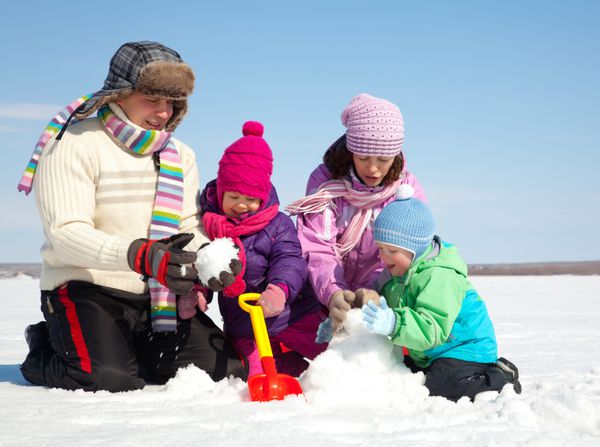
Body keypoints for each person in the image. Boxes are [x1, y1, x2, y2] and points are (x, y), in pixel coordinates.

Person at [17, 41, 246, 392]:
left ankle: (126, 349)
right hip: (85, 288)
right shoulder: (74, 144)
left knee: (225, 370)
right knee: (108, 379)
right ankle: (46, 345)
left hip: (156, 295)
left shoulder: (179, 155)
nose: (163, 112)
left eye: (171, 102)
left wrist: (207, 259)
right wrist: (141, 254)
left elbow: (187, 226)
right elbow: (66, 233)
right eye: (152, 99)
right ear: (119, 95)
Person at [360, 185, 522, 401]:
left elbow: (432, 330)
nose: (384, 257)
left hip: (465, 349)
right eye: (380, 248)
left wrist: (394, 323)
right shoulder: (395, 273)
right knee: (397, 371)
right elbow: (375, 296)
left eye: (392, 251)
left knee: (439, 387)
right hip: (430, 352)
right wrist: (355, 307)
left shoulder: (439, 276)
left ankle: (500, 378)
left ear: (415, 249)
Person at [286, 93, 426, 335]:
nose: (373, 168)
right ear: (352, 151)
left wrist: (378, 289)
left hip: (379, 301)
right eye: (363, 158)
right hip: (321, 294)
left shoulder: (406, 189)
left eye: (383, 159)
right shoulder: (326, 183)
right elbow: (317, 246)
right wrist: (333, 293)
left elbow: (409, 251)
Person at [199, 121, 325, 378]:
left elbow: (289, 259)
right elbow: (203, 262)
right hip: (245, 323)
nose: (242, 206)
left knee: (332, 356)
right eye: (233, 197)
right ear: (221, 192)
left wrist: (279, 290)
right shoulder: (210, 225)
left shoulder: (277, 224)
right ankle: (292, 368)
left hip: (293, 314)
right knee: (255, 374)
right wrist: (199, 291)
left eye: (251, 200)